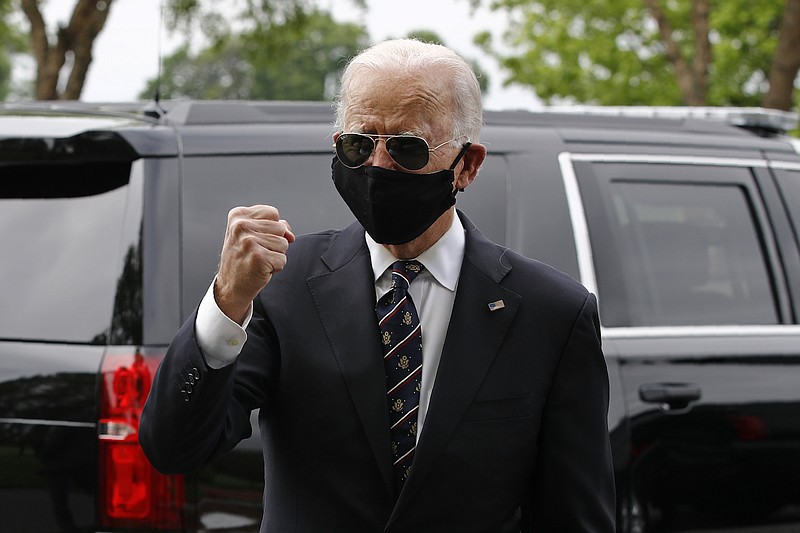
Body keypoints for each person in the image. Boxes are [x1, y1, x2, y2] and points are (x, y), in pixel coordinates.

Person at [139, 38, 616, 532]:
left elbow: (575, 515)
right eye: (358, 145)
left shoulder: (551, 314)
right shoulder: (284, 285)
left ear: (468, 165)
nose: (379, 166)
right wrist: (228, 300)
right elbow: (175, 447)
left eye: (407, 149)